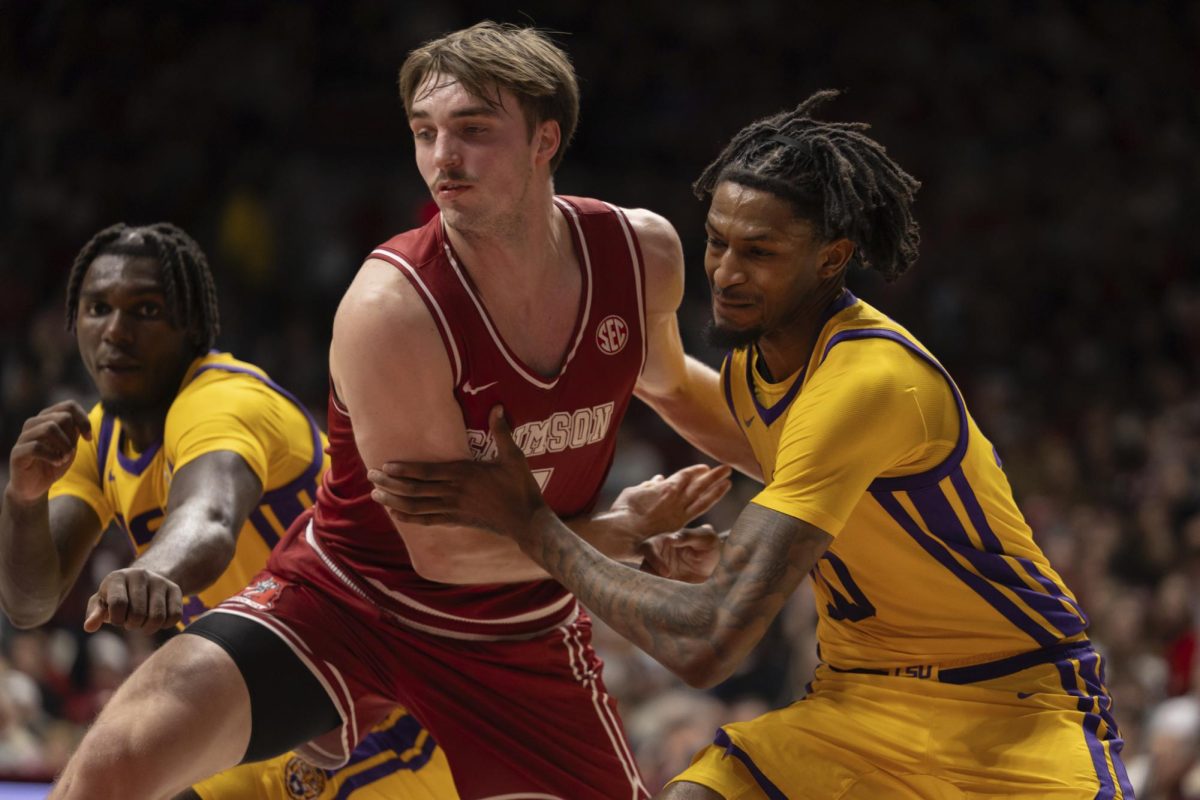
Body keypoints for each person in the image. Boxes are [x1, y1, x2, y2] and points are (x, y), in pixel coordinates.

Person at [45, 23, 749, 800]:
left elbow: (675, 385)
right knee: (114, 760)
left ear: (546, 138)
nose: (443, 157)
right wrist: (620, 538)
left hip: (517, 629)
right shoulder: (392, 307)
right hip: (350, 597)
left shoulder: (638, 250)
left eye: (473, 131)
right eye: (424, 132)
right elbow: (440, 554)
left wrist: (816, 465)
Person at [373, 90, 1137, 799]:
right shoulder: (756, 368)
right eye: (717, 243)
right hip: (859, 706)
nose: (727, 274)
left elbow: (707, 645)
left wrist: (530, 524)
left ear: (832, 257)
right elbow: (672, 386)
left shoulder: (867, 380)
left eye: (760, 253)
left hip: (1016, 708)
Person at [0, 222, 458, 799]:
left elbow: (210, 519)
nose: (115, 331)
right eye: (97, 309)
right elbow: (29, 601)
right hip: (269, 714)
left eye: (144, 310)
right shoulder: (95, 438)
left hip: (381, 710)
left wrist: (155, 569)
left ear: (192, 325)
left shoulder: (223, 401)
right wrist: (24, 499)